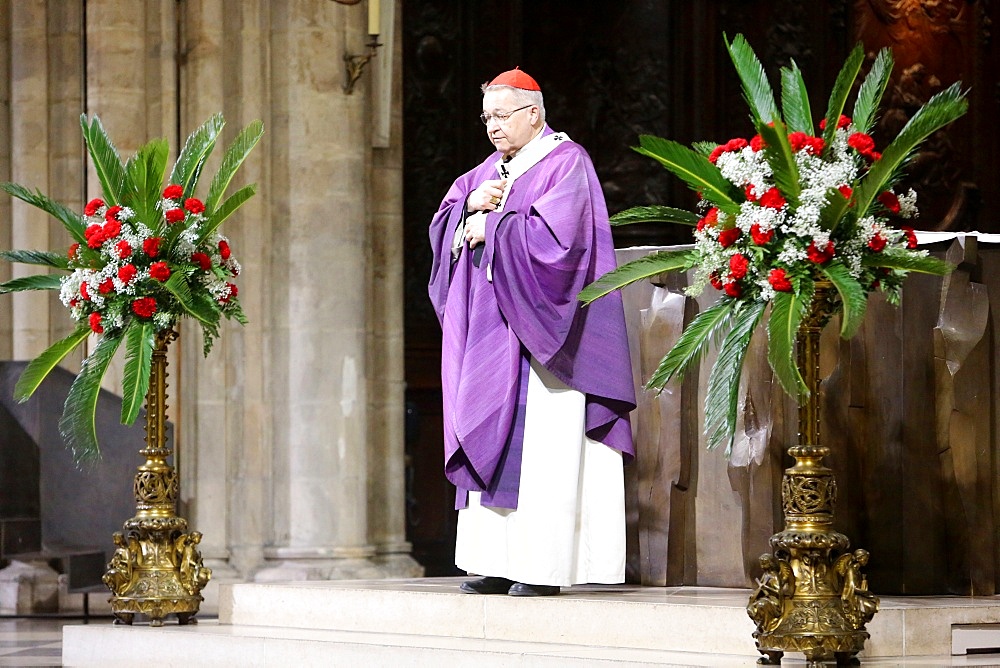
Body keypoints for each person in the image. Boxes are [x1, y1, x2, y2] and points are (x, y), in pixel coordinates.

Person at [428, 67, 636, 597]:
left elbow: (562, 246)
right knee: (489, 435)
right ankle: (495, 562)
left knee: (544, 449)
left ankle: (542, 570)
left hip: (546, 343)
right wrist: (466, 213)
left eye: (501, 116)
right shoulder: (484, 173)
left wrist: (493, 228)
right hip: (489, 339)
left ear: (534, 113)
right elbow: (445, 218)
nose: (493, 127)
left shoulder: (566, 164)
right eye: (487, 118)